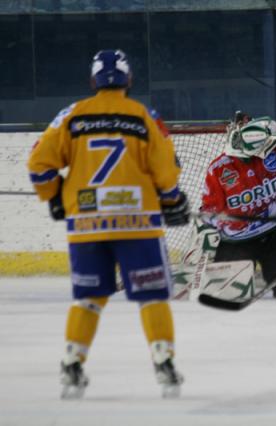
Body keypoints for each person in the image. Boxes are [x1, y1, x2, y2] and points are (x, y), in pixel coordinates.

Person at [27, 49, 190, 398]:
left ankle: (72, 364)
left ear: (93, 81)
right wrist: (173, 200)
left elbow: (39, 166)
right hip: (138, 225)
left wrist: (54, 197)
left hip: (86, 224)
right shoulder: (144, 115)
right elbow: (166, 170)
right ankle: (164, 362)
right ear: (129, 80)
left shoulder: (71, 116)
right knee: (151, 297)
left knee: (88, 297)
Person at [200, 111, 276, 297]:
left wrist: (269, 128)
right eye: (241, 126)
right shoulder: (218, 168)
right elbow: (210, 209)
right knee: (225, 296)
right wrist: (208, 232)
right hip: (236, 240)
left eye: (249, 125)